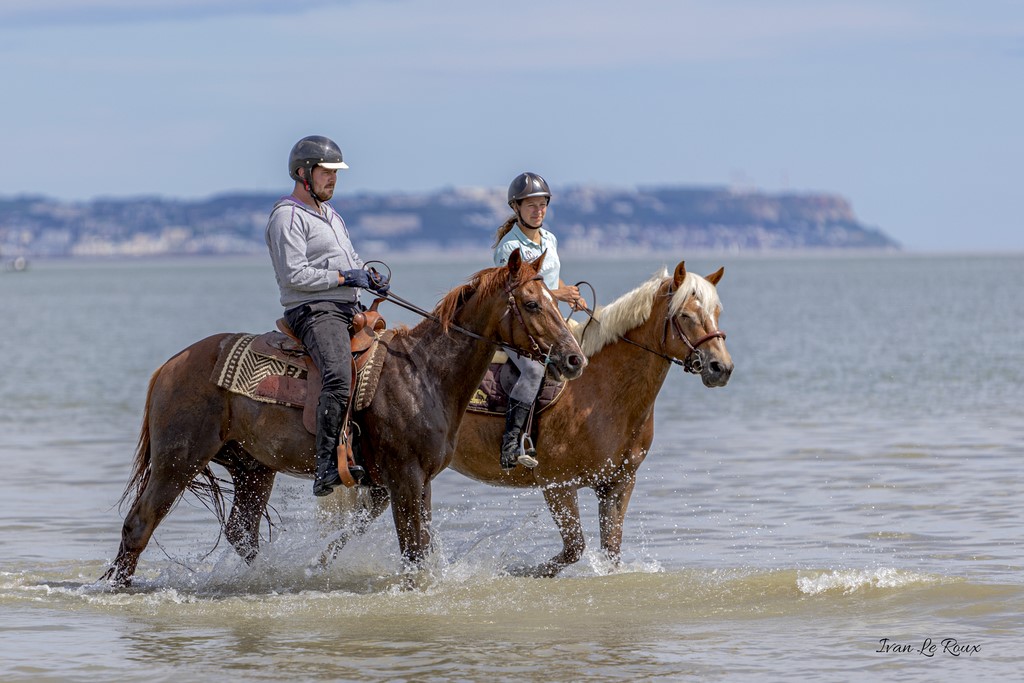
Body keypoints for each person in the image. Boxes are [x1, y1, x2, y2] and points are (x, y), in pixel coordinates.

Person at [265, 135, 389, 497]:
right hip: (313, 310)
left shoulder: (331, 215)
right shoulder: (286, 216)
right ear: (303, 173)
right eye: (326, 172)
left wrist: (368, 275)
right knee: (337, 373)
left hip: (348, 309)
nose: (333, 178)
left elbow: (350, 260)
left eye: (336, 172)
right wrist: (343, 278)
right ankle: (325, 466)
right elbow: (293, 275)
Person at [492, 172, 586, 470]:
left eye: (542, 204)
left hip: (548, 321)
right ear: (516, 207)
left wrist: (570, 295)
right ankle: (510, 444)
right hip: (519, 327)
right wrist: (558, 294)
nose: (538, 210)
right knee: (533, 371)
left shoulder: (550, 239)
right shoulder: (509, 248)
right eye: (531, 205)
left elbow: (551, 280)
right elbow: (516, 295)